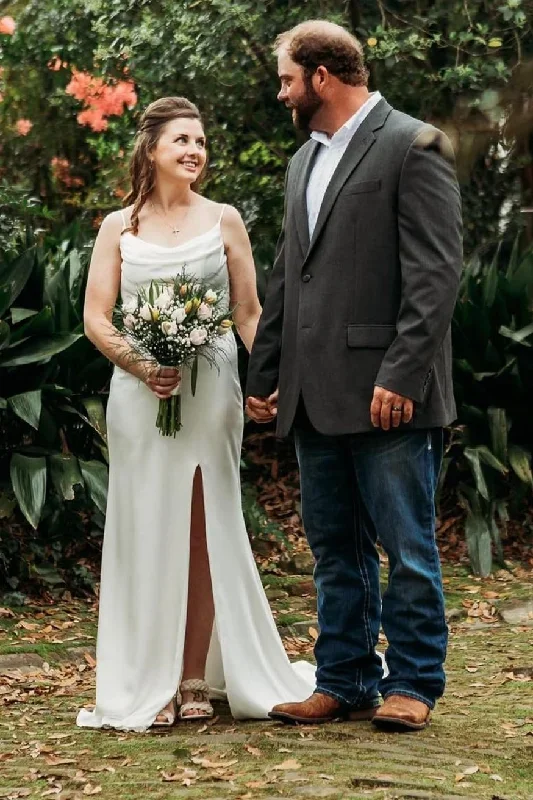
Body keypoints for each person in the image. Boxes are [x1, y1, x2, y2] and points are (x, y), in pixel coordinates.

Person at [246, 21, 462, 731]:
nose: (281, 93)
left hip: (389, 395)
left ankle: (414, 684)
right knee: (334, 549)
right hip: (312, 393)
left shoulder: (412, 143)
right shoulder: (302, 161)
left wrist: (402, 374)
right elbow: (288, 277)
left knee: (406, 546)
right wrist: (268, 370)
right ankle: (341, 677)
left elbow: (435, 275)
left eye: (285, 79)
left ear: (321, 77)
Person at [78, 96, 314, 731]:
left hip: (210, 392)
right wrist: (141, 363)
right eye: (182, 139)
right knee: (146, 527)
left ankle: (190, 679)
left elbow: (248, 313)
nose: (194, 151)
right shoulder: (117, 227)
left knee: (204, 526)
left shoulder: (225, 220)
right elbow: (96, 317)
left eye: (202, 142)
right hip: (138, 394)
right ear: (151, 149)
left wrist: (267, 379)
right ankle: (144, 676)